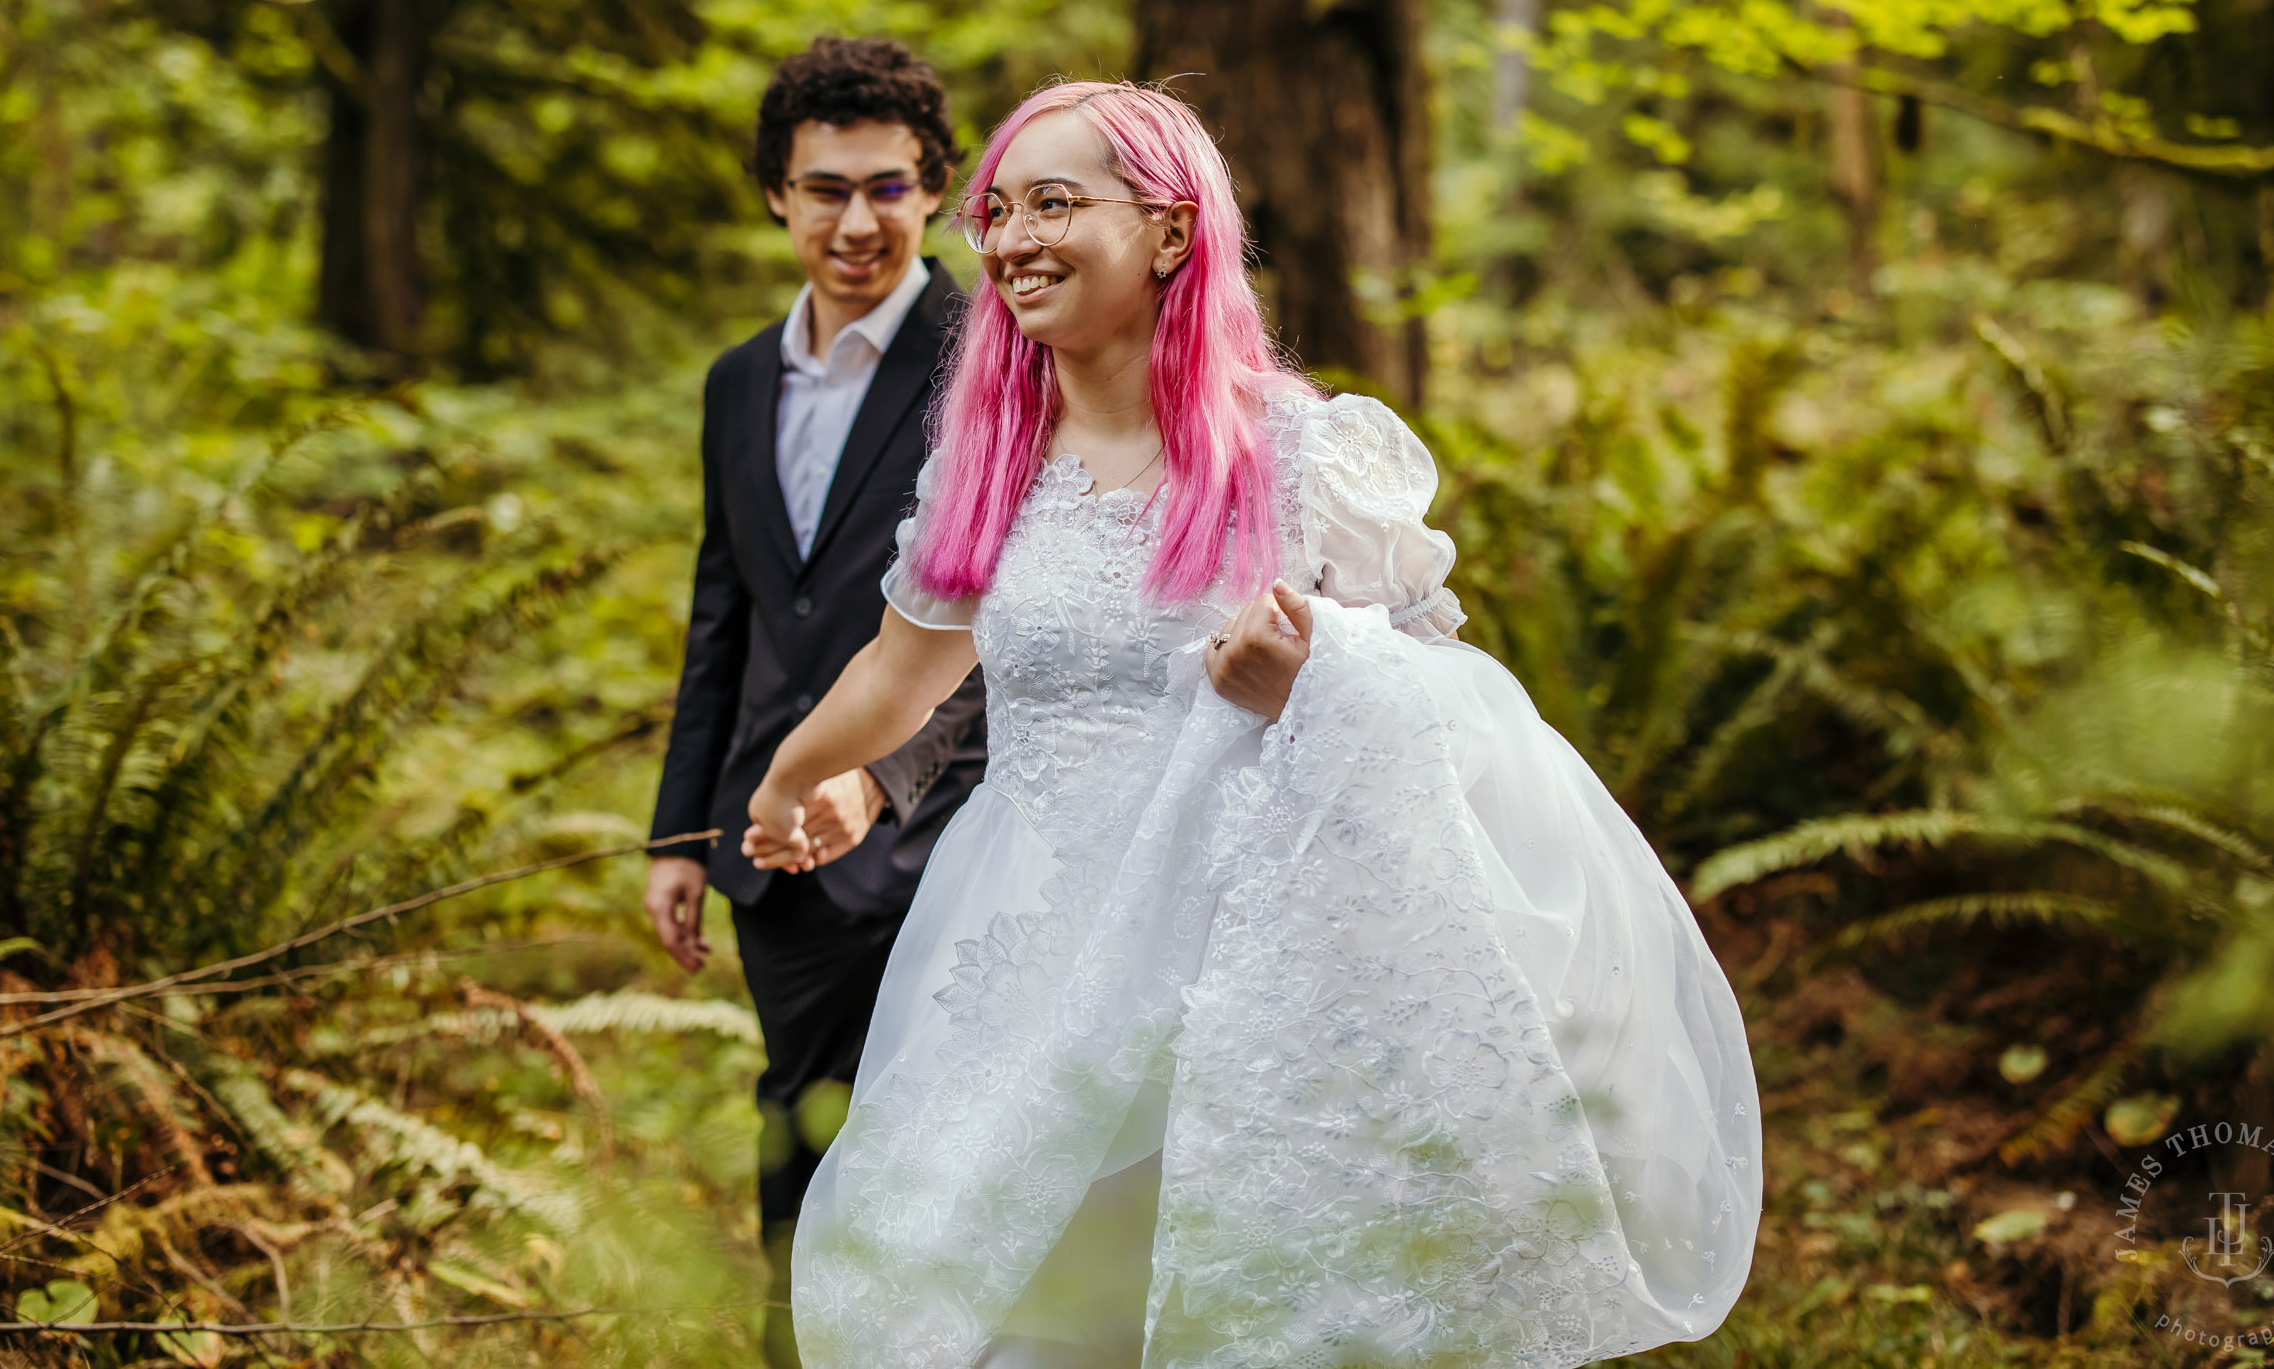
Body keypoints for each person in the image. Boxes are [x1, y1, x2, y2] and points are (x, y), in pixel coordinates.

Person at [746, 81, 1764, 1368]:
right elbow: (902, 672)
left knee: (1196, 1291)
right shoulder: (991, 462)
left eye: (1054, 202)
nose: (1009, 240)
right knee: (998, 1302)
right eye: (995, 211)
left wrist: (1318, 676)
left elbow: (1455, 719)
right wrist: (789, 780)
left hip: (1242, 950)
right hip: (1021, 938)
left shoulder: (1306, 456)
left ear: (1169, 231)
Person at [643, 36, 988, 1369]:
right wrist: (684, 830)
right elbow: (723, 609)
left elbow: (1009, 620)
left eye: (891, 188)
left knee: (937, 1140)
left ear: (937, 189)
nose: (858, 221)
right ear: (776, 196)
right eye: (825, 188)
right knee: (799, 1121)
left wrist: (882, 774)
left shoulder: (994, 359)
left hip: (953, 827)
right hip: (777, 848)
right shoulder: (738, 380)